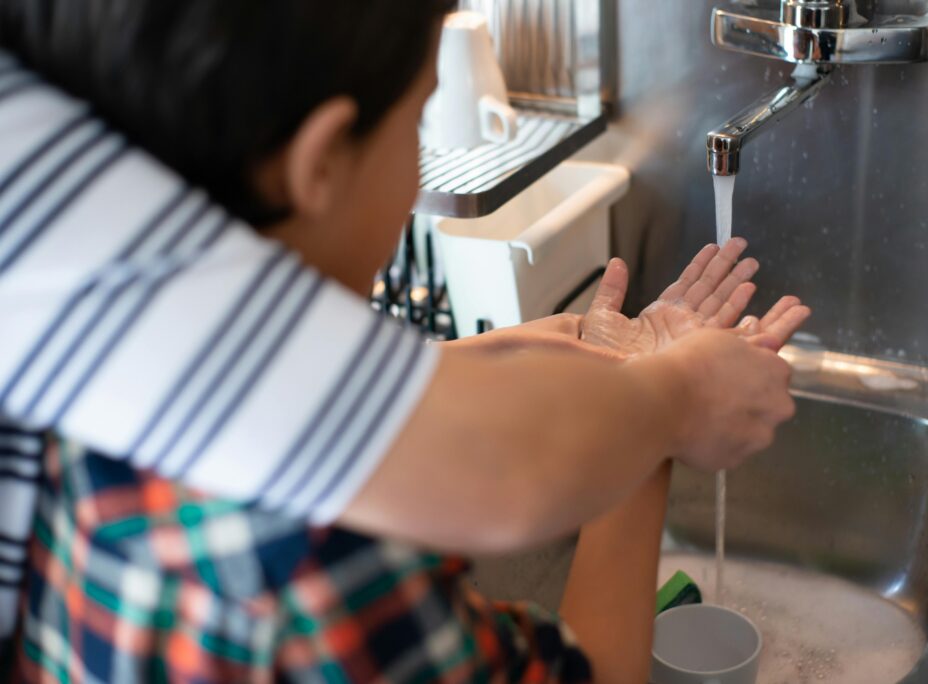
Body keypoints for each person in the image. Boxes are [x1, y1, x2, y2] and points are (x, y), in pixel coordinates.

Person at [0, 1, 810, 681]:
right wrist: (655, 428)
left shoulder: (69, 371)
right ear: (320, 161)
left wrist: (496, 366)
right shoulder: (324, 566)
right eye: (420, 116)